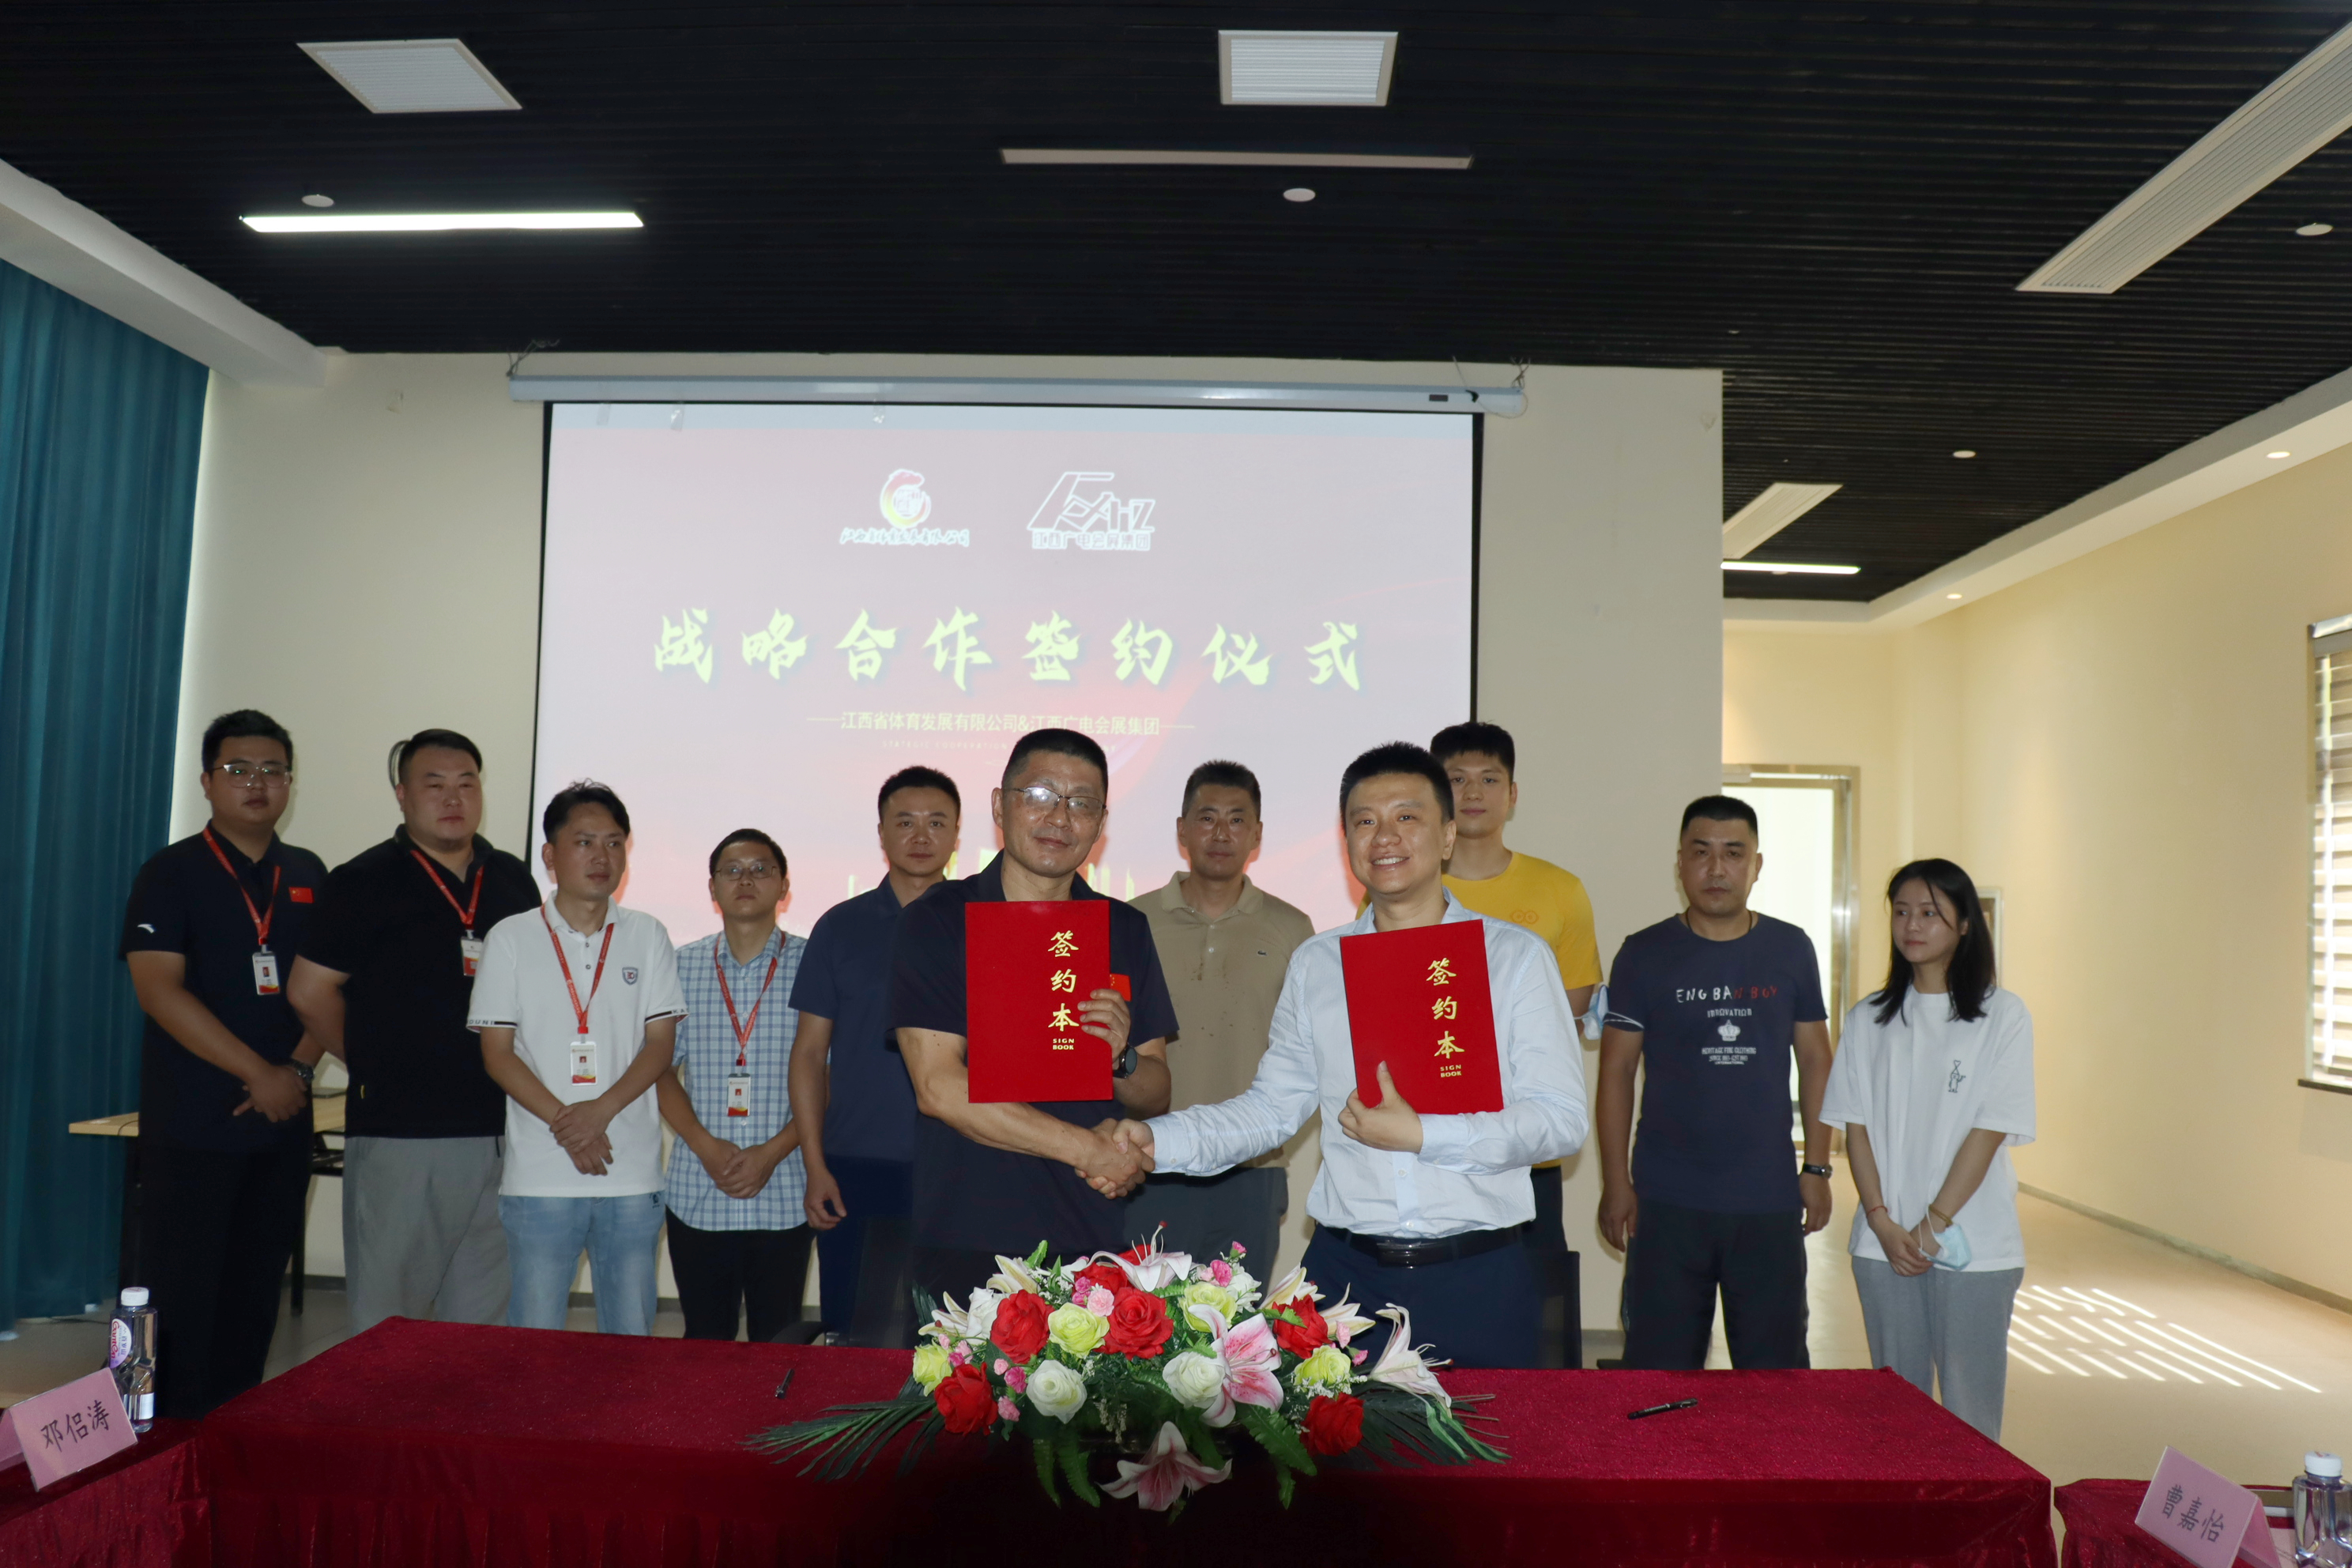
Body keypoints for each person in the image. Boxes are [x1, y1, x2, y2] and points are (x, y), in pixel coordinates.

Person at [1118, 742, 1589, 1370]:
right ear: (1347, 843)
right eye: (1365, 820)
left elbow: (1560, 1120)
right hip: (1346, 1281)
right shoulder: (1319, 962)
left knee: (1488, 1435)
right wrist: (1155, 1141)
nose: (1384, 836)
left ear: (1448, 835)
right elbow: (1271, 1109)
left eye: (1407, 817)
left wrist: (1422, 1134)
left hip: (1478, 1274)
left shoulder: (1512, 957)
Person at [891, 729, 1177, 1304]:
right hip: (967, 1228)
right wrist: (1088, 1151)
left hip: (1089, 1231)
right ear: (1000, 805)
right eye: (1041, 795)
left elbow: (1156, 1091)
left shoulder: (1123, 928)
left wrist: (1120, 1057)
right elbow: (938, 1086)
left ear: (1101, 823)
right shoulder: (939, 920)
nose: (1060, 818)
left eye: (1082, 803)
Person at [288, 729, 539, 1333]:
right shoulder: (362, 880)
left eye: (467, 783)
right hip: (404, 1133)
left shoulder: (511, 879)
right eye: (434, 784)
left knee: (481, 1324)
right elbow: (308, 990)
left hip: (504, 1131)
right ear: (402, 795)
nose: (453, 798)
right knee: (390, 1322)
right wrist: (373, 1058)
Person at [119, 710, 328, 1417]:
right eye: (238, 770)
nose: (257, 783)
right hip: (194, 1124)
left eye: (272, 770)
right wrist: (259, 1073)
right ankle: (152, 1443)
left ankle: (230, 1439)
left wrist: (297, 1071)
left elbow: (331, 989)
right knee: (174, 1300)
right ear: (207, 782)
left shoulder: (308, 874)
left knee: (253, 1298)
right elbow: (158, 990)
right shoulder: (170, 872)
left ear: (290, 783)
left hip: (281, 1125)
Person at [1596, 795, 1833, 1370]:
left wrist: (1818, 1168)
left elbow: (1817, 1060)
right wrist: (1616, 1182)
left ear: (1757, 865)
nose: (1717, 868)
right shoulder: (1643, 954)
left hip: (1767, 1197)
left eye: (1733, 853)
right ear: (1680, 863)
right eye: (1701, 853)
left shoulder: (1790, 948)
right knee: (1658, 1374)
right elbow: (1617, 1071)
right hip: (1666, 1200)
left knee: (1774, 1377)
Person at [1822, 859, 2034, 1439]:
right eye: (1901, 912)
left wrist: (1932, 1224)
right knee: (1898, 1416)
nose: (1912, 925)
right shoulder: (1868, 1019)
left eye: (1929, 913)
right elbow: (1857, 1128)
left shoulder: (2002, 1016)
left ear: (1964, 924)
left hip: (1974, 1246)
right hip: (1884, 1242)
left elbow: (1990, 1129)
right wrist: (1880, 1220)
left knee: (1971, 1417)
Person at [466, 782, 684, 1334]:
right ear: (550, 855)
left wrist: (598, 1113)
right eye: (585, 842)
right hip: (540, 1175)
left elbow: (660, 1045)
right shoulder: (510, 938)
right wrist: (571, 1125)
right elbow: (497, 1055)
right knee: (535, 1342)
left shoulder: (648, 935)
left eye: (614, 843)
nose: (601, 856)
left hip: (630, 1173)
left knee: (630, 1341)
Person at [1429, 721, 1603, 1362]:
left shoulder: (1560, 889)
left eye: (1489, 779)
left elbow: (1573, 1005)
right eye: (1457, 779)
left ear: (1513, 794)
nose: (1474, 792)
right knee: (1436, 1314)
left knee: (1527, 1313)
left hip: (1527, 1142)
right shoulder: (1404, 887)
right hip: (1431, 1136)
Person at [788, 767, 959, 1340]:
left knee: (952, 1336)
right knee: (855, 1333)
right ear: (881, 834)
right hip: (855, 1163)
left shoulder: (979, 923)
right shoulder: (840, 927)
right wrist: (815, 1166)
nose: (921, 836)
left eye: (936, 823)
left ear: (957, 835)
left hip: (960, 1159)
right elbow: (809, 1055)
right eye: (904, 822)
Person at [1127, 760, 1314, 1269]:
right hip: (1147, 1160)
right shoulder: (1132, 920)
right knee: (1137, 1315)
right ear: (1182, 830)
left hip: (1252, 1167)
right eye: (1207, 818)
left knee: (1241, 1318)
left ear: (1257, 834)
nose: (1221, 833)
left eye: (1237, 819)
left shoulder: (1293, 928)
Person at [660, 829, 810, 1342]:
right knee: (704, 1345)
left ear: (784, 886)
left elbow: (829, 1077)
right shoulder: (679, 965)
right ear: (713, 888)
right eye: (732, 870)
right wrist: (705, 1146)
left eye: (761, 869)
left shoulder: (814, 965)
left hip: (786, 1189)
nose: (746, 879)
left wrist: (771, 1152)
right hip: (699, 1188)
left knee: (778, 1345)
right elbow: (659, 1070)